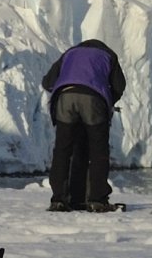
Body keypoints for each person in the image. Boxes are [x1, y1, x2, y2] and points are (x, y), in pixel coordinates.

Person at [43, 38, 126, 212]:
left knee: (62, 150)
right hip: (93, 98)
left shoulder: (69, 54)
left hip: (64, 97)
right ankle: (97, 200)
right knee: (98, 151)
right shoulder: (108, 55)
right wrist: (107, 101)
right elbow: (119, 85)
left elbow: (47, 82)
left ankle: (59, 199)